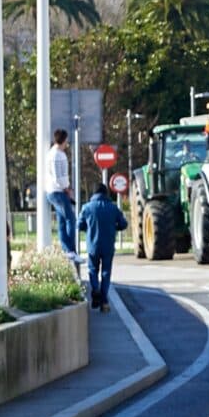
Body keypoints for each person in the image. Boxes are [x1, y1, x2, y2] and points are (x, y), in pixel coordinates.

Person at [78, 183, 127, 311]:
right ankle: (104, 301)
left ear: (93, 193)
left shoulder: (87, 208)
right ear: (106, 193)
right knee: (106, 272)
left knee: (93, 269)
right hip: (108, 246)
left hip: (92, 245)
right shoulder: (113, 208)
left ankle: (95, 289)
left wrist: (89, 228)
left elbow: (79, 225)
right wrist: (114, 227)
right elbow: (123, 224)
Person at [47, 129, 77, 255]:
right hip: (58, 191)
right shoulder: (58, 155)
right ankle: (70, 248)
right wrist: (67, 189)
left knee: (62, 221)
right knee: (71, 219)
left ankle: (66, 248)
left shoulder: (52, 153)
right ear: (63, 140)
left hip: (54, 190)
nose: (67, 144)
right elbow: (59, 176)